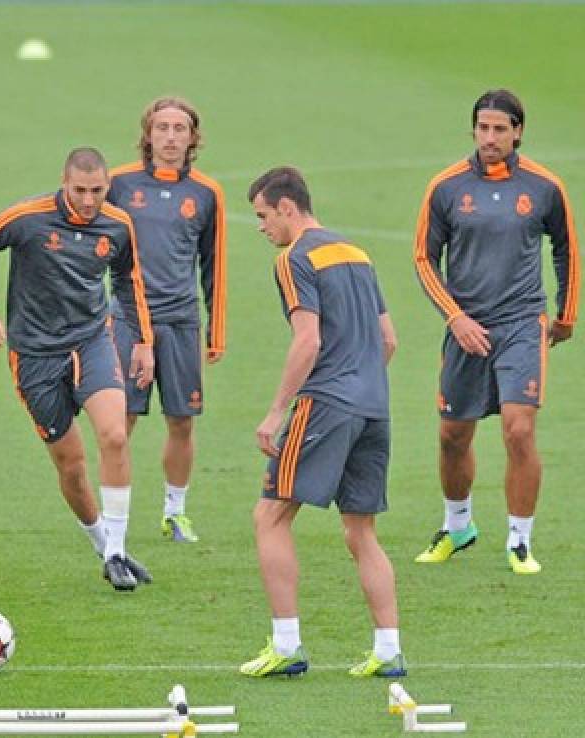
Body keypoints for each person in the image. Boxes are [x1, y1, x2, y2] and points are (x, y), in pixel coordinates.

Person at [0, 147, 157, 591]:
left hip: (91, 340)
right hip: (34, 354)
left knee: (115, 434)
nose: (88, 200)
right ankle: (104, 547)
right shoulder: (28, 218)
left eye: (97, 191)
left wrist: (143, 341)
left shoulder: (118, 225)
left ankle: (119, 550)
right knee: (72, 467)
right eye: (80, 191)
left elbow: (129, 280)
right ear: (64, 184)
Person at [240, 167, 404, 678]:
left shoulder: (294, 258)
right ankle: (388, 650)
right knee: (361, 530)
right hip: (374, 406)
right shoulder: (356, 252)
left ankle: (287, 645)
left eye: (264, 216)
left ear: (288, 208)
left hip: (327, 403)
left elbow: (307, 339)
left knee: (270, 516)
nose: (262, 227)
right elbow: (389, 340)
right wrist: (359, 383)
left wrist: (276, 412)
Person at [413, 89, 578, 575]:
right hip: (466, 328)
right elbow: (424, 258)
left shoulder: (544, 187)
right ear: (473, 131)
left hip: (522, 322)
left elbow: (567, 248)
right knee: (452, 435)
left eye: (499, 129)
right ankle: (458, 525)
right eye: (482, 128)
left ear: (518, 132)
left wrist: (565, 315)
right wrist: (455, 317)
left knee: (519, 429)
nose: (490, 137)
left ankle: (520, 540)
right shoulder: (446, 187)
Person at [107, 96, 227, 543]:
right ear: (148, 134)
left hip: (180, 321)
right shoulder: (118, 184)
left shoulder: (206, 193)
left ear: (193, 137)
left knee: (181, 420)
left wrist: (215, 330)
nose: (171, 137)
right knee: (121, 421)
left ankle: (175, 512)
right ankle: (113, 514)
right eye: (163, 128)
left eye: (180, 129)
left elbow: (213, 264)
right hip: (127, 321)